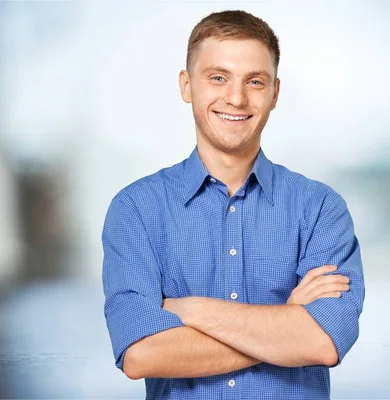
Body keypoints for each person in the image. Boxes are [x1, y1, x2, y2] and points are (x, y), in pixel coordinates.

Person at [101, 10, 365, 399]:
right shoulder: (136, 210)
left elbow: (322, 343)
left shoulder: (321, 209)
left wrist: (187, 310)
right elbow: (142, 354)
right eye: (218, 77)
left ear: (274, 92)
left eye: (254, 82)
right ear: (187, 85)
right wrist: (285, 325)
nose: (236, 98)